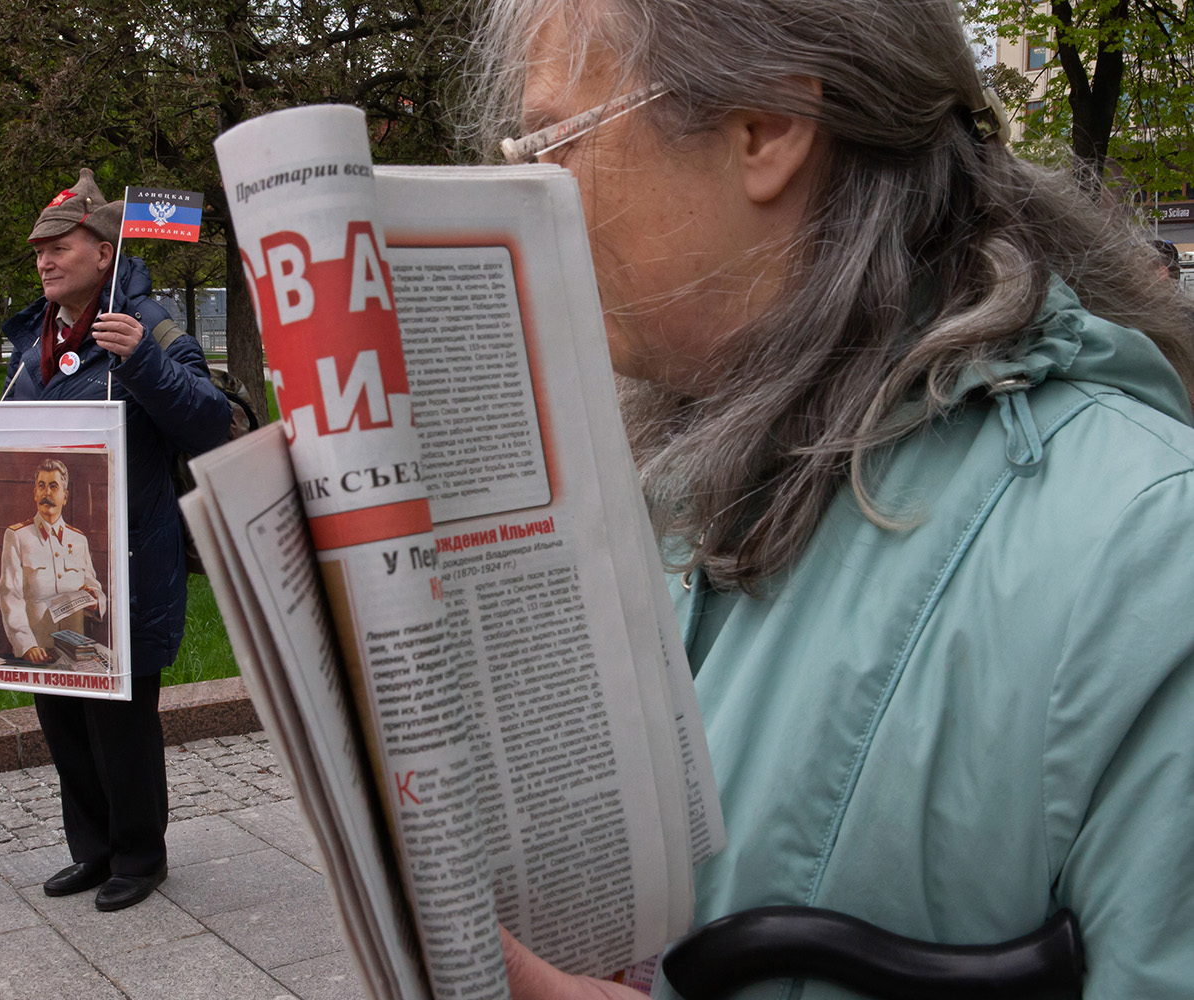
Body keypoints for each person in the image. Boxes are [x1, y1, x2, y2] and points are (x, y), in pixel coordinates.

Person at [469, 1, 1194, 997]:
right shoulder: (690, 460)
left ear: (764, 128)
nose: (531, 194)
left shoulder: (1154, 554)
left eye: (554, 143)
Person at [0, 167, 231, 912]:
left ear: (104, 252)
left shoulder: (149, 327)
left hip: (122, 566)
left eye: (60, 246)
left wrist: (143, 360)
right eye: (37, 250)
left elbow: (206, 421)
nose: (42, 260)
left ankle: (140, 854)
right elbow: (8, 450)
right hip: (42, 571)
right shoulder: (31, 340)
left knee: (119, 721)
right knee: (61, 710)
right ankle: (91, 851)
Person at [0, 457, 107, 664]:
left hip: (76, 653)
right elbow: (10, 596)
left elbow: (94, 587)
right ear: (35, 493)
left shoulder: (79, 539)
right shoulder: (18, 537)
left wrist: (95, 600)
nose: (47, 493)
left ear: (65, 496)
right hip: (37, 652)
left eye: (53, 486)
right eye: (41, 486)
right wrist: (27, 644)